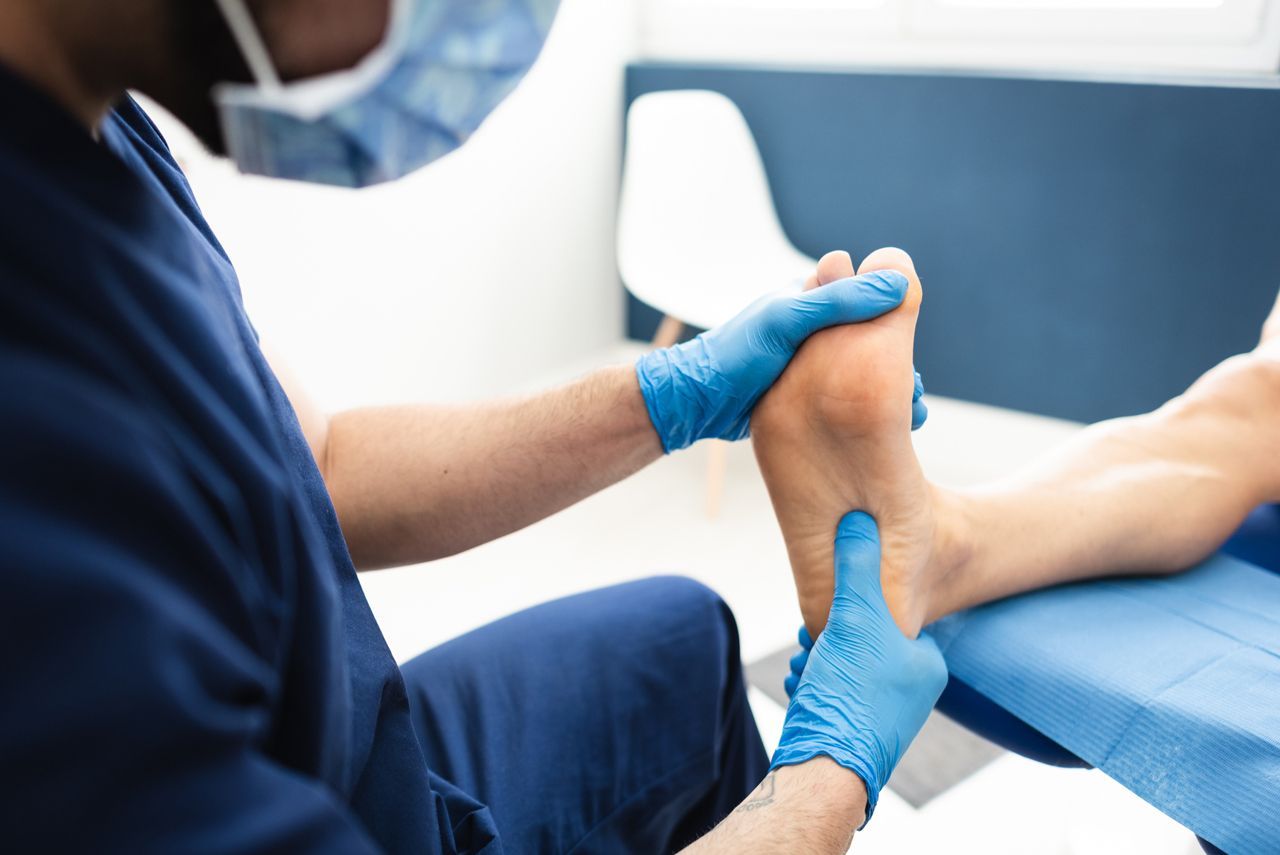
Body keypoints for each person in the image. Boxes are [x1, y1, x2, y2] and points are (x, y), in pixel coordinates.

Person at [0, 1, 944, 852]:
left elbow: (315, 466)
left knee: (681, 640)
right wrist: (827, 777)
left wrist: (673, 390)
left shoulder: (94, 122)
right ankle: (953, 553)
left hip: (354, 762)